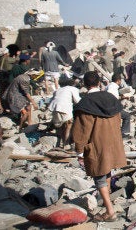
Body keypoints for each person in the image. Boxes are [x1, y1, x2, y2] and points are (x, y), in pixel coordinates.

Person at [72, 71, 126, 222]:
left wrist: (79, 150)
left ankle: (110, 212)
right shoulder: (110, 98)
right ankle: (107, 200)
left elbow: (82, 129)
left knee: (99, 176)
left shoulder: (85, 103)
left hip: (96, 143)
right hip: (113, 141)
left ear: (85, 84)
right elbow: (119, 118)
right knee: (107, 170)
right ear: (99, 83)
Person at [48, 76, 81, 149]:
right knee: (68, 126)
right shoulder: (73, 89)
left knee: (61, 127)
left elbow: (51, 100)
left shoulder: (58, 90)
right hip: (65, 109)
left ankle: (59, 144)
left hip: (54, 109)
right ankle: (66, 145)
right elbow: (78, 101)